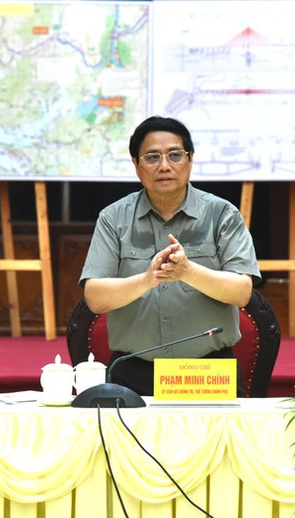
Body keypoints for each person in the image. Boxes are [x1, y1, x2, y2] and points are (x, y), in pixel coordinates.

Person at [79, 116, 260, 396]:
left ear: (190, 160)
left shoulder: (222, 214)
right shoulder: (113, 218)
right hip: (132, 372)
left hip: (207, 374)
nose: (164, 165)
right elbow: (95, 297)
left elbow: (242, 291)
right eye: (152, 157)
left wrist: (188, 272)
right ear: (136, 165)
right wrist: (148, 279)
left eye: (174, 155)